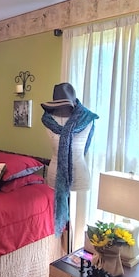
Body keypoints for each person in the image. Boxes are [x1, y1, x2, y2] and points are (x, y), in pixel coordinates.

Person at [41, 83, 98, 238]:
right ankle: (66, 249)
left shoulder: (88, 119)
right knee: (64, 215)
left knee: (76, 217)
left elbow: (85, 148)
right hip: (55, 173)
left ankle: (73, 248)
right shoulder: (48, 120)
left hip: (79, 173)